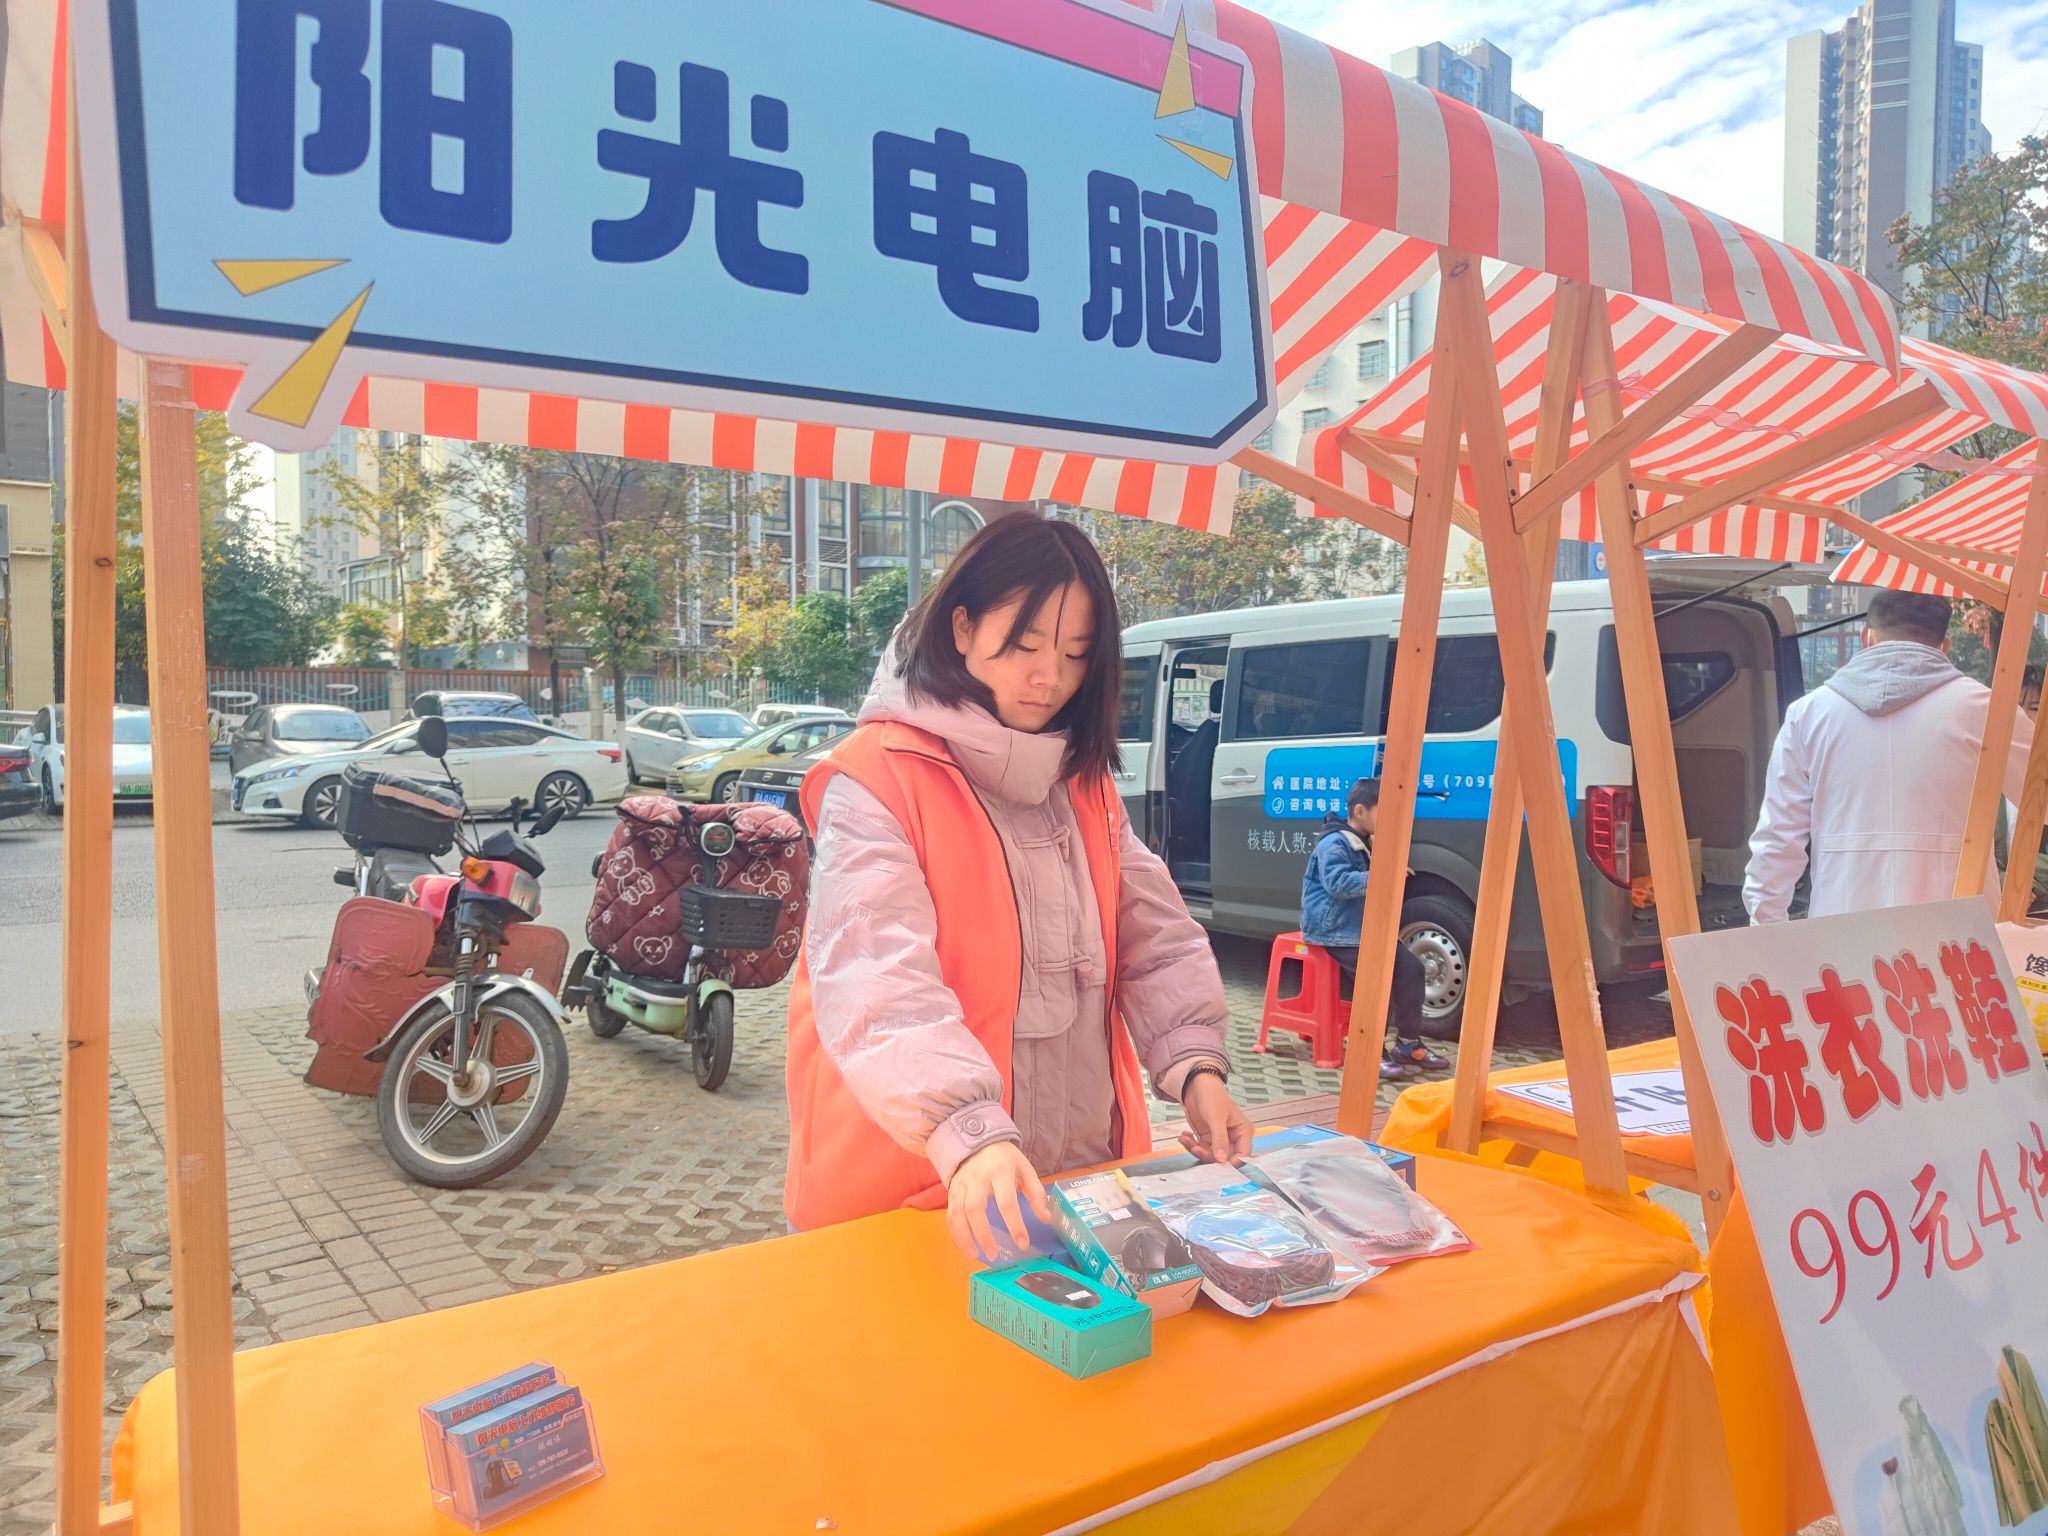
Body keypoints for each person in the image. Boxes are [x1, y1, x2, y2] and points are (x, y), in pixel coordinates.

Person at [785, 513, 1253, 1261]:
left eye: (1076, 653)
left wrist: (1195, 1064)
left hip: (1080, 1175)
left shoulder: (1082, 781)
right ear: (963, 627)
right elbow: (878, 979)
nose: (1050, 677)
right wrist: (966, 1129)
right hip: (921, 1184)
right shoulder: (876, 778)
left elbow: (1154, 938)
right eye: (1025, 645)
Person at [1745, 589, 2040, 923]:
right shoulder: (1987, 709)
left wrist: (1765, 929)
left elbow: (1777, 841)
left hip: (1840, 924)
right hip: (1959, 931)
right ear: (1945, 646)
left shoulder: (1808, 714)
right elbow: (2040, 802)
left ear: (1866, 637)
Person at [1300, 778, 1448, 1080]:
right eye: (1384, 812)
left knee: (1412, 969)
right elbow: (1338, 883)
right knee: (1377, 978)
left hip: (1362, 929)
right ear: (1360, 811)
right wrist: (1382, 874)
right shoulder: (1334, 843)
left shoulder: (1365, 841)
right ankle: (1368, 1049)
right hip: (1335, 930)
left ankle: (1408, 1043)